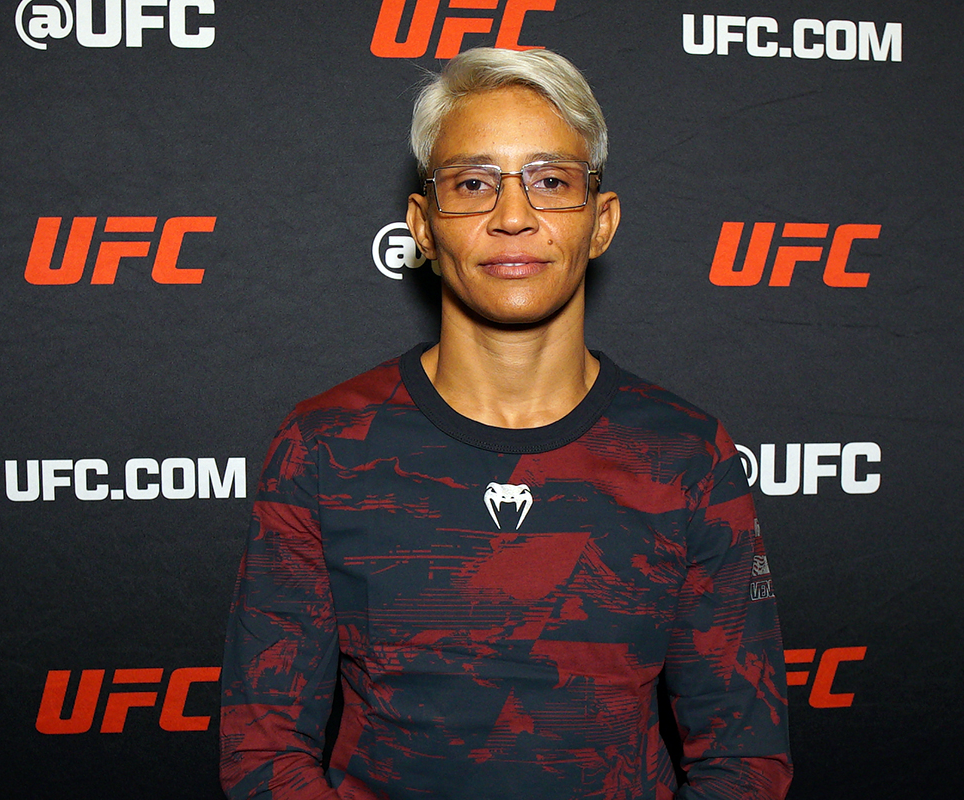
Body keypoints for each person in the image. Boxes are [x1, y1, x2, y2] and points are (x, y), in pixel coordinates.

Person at [220, 47, 791, 800]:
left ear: (601, 221)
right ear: (423, 226)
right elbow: (265, 749)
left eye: (551, 182)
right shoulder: (325, 446)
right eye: (473, 184)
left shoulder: (685, 454)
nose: (513, 216)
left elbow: (745, 758)